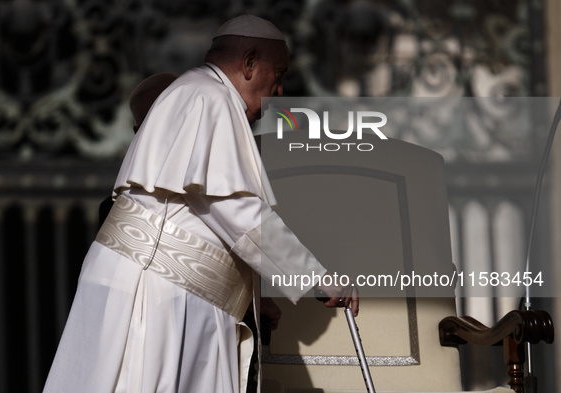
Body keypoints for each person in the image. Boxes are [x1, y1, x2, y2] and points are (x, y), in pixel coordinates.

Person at [43, 15, 358, 393]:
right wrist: (317, 278)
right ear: (249, 63)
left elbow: (201, 218)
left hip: (178, 295)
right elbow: (237, 213)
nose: (279, 90)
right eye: (279, 73)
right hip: (157, 294)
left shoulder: (203, 95)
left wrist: (251, 299)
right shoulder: (208, 97)